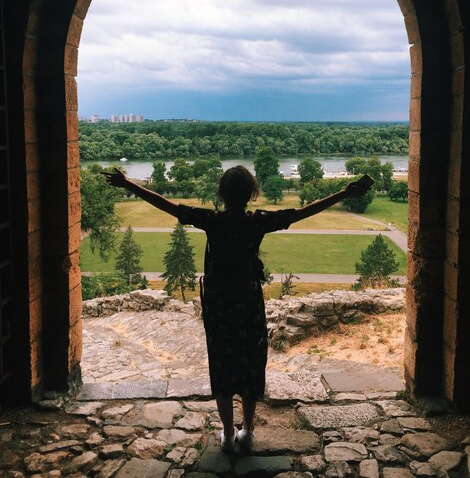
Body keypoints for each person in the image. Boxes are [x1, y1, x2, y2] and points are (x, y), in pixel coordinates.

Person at [102, 165, 368, 454]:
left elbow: (168, 206)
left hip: (218, 305)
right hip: (248, 302)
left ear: (221, 193)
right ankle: (248, 431)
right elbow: (302, 213)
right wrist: (343, 193)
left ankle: (228, 434)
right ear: (251, 194)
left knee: (222, 362)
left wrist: (130, 186)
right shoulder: (257, 222)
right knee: (250, 363)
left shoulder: (212, 221)